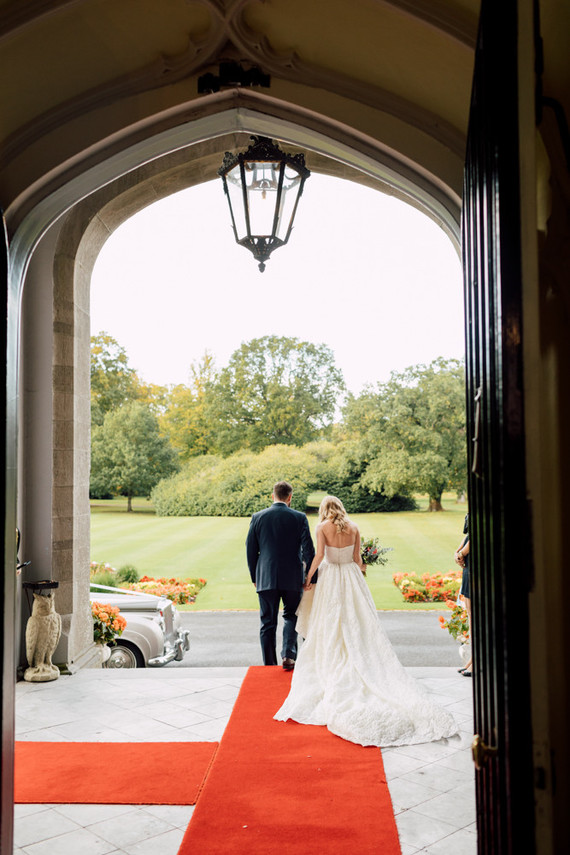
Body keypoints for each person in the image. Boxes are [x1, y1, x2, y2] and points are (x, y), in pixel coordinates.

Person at [274, 495, 458, 747]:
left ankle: (333, 658)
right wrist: (361, 567)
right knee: (357, 620)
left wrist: (308, 577)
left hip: (330, 577)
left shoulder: (322, 527)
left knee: (330, 622)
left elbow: (319, 556)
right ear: (341, 508)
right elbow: (358, 561)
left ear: (325, 510)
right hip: (351, 577)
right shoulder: (354, 527)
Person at [246, 481, 315, 670]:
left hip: (266, 576)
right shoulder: (299, 517)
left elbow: (251, 550)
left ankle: (269, 664)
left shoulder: (258, 517)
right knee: (292, 615)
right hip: (292, 576)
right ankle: (288, 655)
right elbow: (309, 550)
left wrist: (254, 576)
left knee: (267, 622)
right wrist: (311, 577)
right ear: (290, 497)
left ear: (272, 495)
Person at [455, 513, 472, 677]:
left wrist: (461, 553)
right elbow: (468, 534)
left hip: (475, 568)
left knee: (475, 617)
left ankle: (476, 661)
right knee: (470, 615)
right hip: (468, 568)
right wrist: (458, 552)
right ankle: (473, 659)